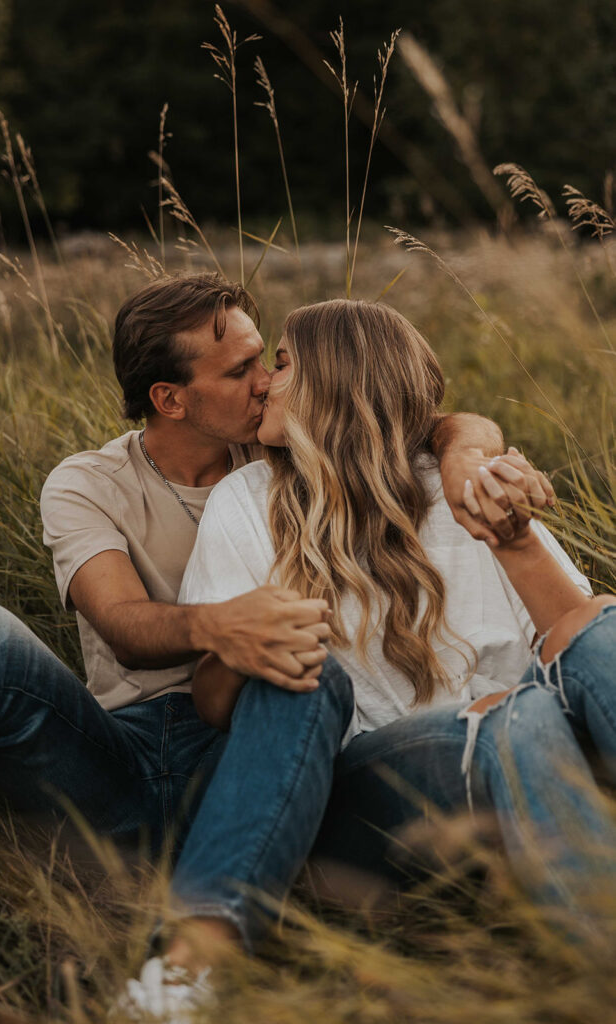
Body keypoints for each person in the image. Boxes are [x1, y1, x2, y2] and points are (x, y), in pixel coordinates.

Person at [0, 275, 552, 1021]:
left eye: (269, 359)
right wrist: (215, 626)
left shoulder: (286, 452)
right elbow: (126, 628)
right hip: (118, 754)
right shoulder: (89, 483)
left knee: (301, 671)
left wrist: (465, 453)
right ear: (170, 398)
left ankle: (192, 964)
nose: (267, 383)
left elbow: (410, 411)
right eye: (239, 371)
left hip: (254, 746)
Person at [178, 297, 616, 984]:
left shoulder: (459, 489)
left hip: (531, 759)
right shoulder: (249, 501)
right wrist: (249, 635)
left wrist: (516, 541)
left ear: (337, 386)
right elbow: (210, 703)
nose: (262, 381)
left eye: (283, 364)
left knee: (601, 627)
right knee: (516, 715)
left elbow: (581, 645)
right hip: (372, 796)